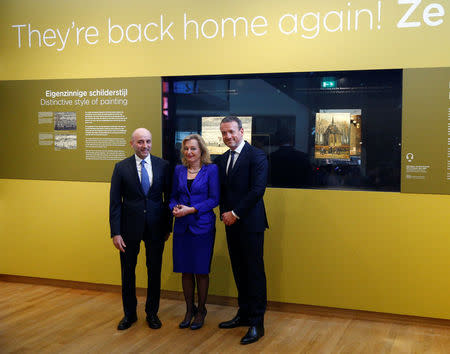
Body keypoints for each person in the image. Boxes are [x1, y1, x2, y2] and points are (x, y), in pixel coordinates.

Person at [109, 128, 172, 331]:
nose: (145, 146)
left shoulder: (163, 166)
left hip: (156, 228)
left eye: (148, 141)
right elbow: (115, 203)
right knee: (128, 272)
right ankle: (129, 314)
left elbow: (168, 199)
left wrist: (167, 226)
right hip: (128, 229)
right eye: (140, 142)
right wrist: (115, 232)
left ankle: (152, 313)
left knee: (154, 271)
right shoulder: (121, 168)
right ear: (132, 144)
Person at [215, 115, 269, 345]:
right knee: (239, 269)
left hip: (250, 223)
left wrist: (234, 213)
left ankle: (257, 322)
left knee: (254, 272)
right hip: (231, 223)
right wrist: (225, 214)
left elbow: (257, 190)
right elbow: (221, 192)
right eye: (224, 133)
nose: (228, 136)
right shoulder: (222, 159)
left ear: (242, 131)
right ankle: (244, 313)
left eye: (231, 132)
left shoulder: (257, 155)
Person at [169, 134, 219, 330]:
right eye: (186, 148)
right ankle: (189, 309)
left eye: (193, 149)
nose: (189, 152)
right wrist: (174, 207)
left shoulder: (211, 170)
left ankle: (201, 310)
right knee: (186, 270)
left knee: (201, 271)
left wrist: (192, 209)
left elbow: (214, 199)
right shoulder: (178, 170)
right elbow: (172, 196)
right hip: (182, 227)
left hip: (203, 227)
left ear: (201, 151)